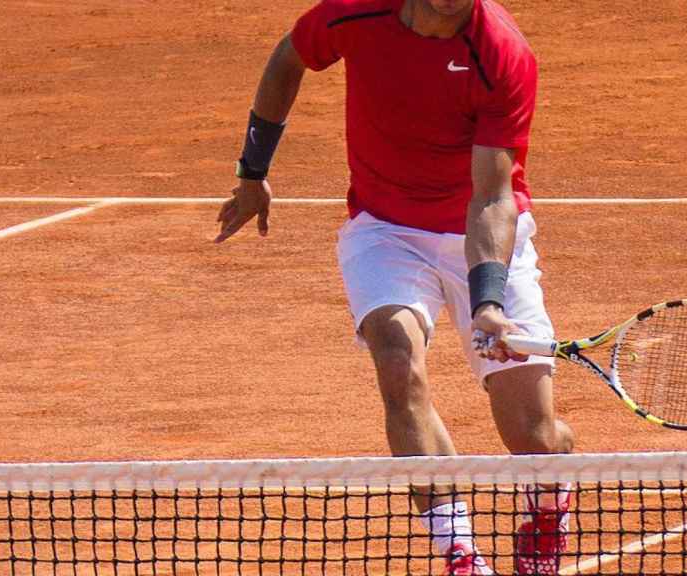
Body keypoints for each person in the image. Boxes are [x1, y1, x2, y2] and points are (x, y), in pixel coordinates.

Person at [215, 0, 574, 573]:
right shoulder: (355, 13)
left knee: (534, 437)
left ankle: (549, 510)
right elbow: (289, 57)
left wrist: (487, 299)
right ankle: (460, 554)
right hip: (384, 231)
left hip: (482, 233)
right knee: (397, 357)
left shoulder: (502, 54)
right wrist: (252, 173)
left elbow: (490, 197)